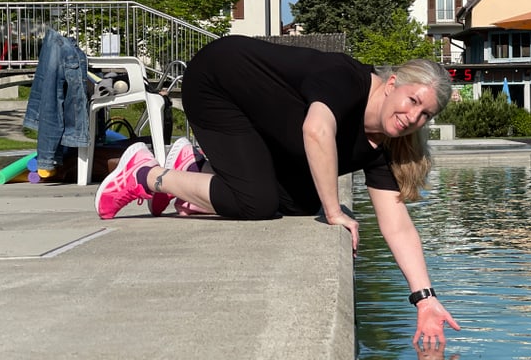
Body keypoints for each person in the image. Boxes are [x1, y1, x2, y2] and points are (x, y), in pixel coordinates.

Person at [94, 35, 461, 344]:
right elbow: (316, 131)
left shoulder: (381, 145)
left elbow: (396, 224)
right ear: (393, 83)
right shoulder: (346, 79)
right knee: (257, 202)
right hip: (220, 81)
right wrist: (334, 212)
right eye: (413, 101)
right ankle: (146, 174)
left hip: (260, 119)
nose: (414, 118)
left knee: (302, 203)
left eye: (425, 115)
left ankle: (196, 170)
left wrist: (425, 300)